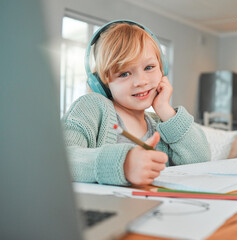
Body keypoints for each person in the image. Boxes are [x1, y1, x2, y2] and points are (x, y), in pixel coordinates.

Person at [62, 20, 210, 186]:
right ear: (103, 83)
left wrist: (165, 110)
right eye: (124, 73)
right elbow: (61, 158)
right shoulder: (91, 107)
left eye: (149, 67)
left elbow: (202, 160)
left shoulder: (161, 124)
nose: (141, 81)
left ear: (163, 69)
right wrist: (123, 164)